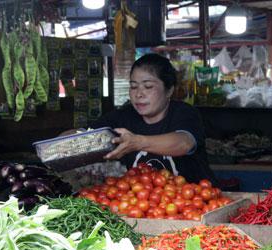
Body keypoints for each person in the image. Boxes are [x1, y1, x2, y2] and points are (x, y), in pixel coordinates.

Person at [90, 53, 216, 183]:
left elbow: (184, 143)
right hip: (143, 201)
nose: (139, 94)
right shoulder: (123, 116)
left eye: (148, 86)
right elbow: (83, 135)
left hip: (194, 200)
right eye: (133, 86)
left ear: (169, 90)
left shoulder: (184, 113)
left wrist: (138, 142)